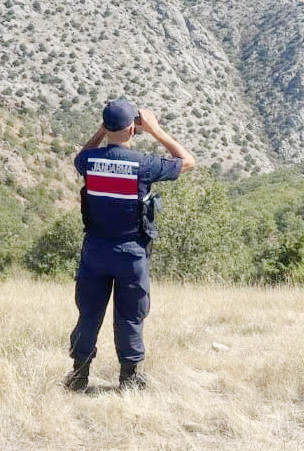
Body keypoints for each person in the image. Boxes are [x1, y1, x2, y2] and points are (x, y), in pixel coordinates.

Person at [64, 98, 195, 391]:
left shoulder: (88, 162)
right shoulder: (144, 165)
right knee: (131, 315)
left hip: (95, 250)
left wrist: (101, 133)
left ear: (106, 126)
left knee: (89, 313)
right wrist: (157, 130)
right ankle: (129, 378)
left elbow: (80, 156)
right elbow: (188, 161)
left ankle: (79, 375)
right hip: (131, 253)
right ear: (133, 130)